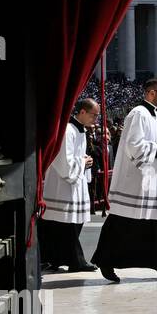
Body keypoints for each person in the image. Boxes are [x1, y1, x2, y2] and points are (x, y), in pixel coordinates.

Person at [91, 79, 157, 283]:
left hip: (154, 177)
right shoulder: (138, 113)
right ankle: (105, 260)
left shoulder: (153, 114)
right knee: (122, 221)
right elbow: (133, 145)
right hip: (137, 180)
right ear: (150, 92)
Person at [38, 98, 99, 272]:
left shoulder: (80, 130)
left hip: (74, 184)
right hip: (62, 186)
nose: (96, 119)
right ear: (82, 112)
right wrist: (83, 162)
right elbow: (63, 161)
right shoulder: (67, 130)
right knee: (67, 226)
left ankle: (57, 258)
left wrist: (85, 161)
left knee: (69, 225)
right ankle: (76, 261)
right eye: (94, 115)